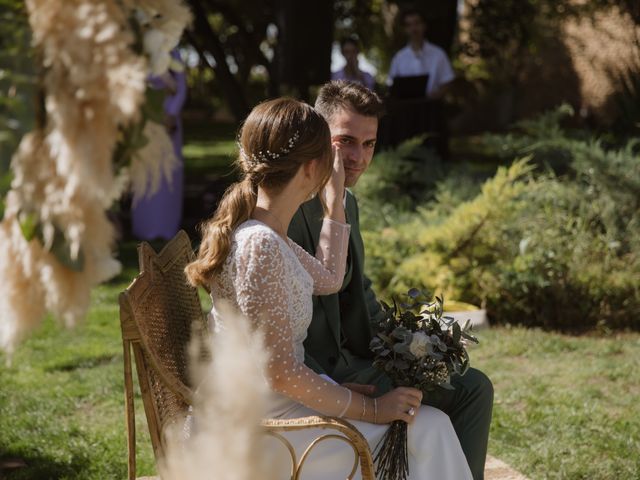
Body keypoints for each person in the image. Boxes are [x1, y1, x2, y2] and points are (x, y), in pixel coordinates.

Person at [186, 97, 472, 479]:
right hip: (264, 431)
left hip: (272, 407)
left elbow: (329, 279)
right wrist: (369, 409)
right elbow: (280, 373)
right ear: (313, 167)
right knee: (430, 428)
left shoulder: (270, 235)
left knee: (427, 425)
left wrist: (335, 203)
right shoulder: (262, 244)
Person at [288, 81, 493, 480]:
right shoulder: (290, 211)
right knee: (469, 395)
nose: (358, 157)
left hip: (362, 356)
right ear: (317, 136)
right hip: (323, 372)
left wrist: (407, 345)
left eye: (369, 144)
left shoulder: (347, 201)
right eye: (345, 140)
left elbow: (356, 290)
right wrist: (336, 389)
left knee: (470, 385)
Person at [132, 49, 187, 240]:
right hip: (145, 118)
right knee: (144, 170)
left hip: (167, 119)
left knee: (167, 171)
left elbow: (181, 86)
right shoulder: (138, 48)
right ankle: (144, 226)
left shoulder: (172, 50)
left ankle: (166, 225)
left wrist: (171, 113)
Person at [388, 9, 455, 99]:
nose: (413, 28)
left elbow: (448, 81)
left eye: (417, 23)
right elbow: (391, 85)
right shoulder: (399, 58)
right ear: (405, 29)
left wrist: (436, 95)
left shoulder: (438, 54)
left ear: (424, 25)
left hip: (433, 108)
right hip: (406, 109)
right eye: (409, 25)